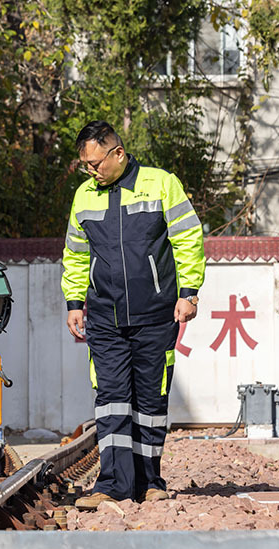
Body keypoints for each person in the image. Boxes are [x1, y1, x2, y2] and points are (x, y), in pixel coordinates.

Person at [61, 120, 205, 510]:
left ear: (118, 153)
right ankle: (111, 484)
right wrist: (75, 302)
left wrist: (189, 291)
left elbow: (187, 237)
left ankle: (149, 481)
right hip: (104, 317)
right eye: (85, 165)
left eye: (96, 163)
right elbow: (75, 254)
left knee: (150, 399)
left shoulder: (161, 184)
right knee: (110, 400)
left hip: (156, 312)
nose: (91, 171)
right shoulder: (84, 197)